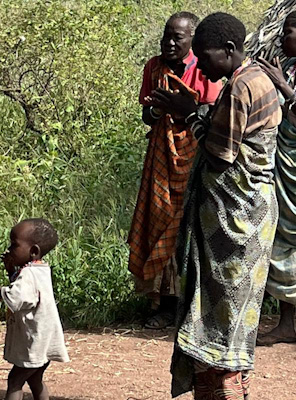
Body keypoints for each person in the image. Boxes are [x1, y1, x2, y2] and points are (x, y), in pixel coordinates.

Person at [151, 12, 281, 398]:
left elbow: (220, 154)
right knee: (231, 319)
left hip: (235, 224)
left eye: (205, 56)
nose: (200, 63)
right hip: (252, 217)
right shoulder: (254, 78)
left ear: (228, 50)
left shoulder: (241, 88)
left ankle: (222, 389)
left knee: (219, 325)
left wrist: (189, 114)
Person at [128, 11, 223, 329]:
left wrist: (186, 108)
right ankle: (164, 304)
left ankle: (191, 305)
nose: (168, 42)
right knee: (157, 226)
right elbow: (147, 113)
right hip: (160, 157)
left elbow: (211, 113)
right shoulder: (154, 67)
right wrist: (158, 108)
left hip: (192, 156)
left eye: (176, 37)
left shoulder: (205, 70)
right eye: (166, 36)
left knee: (191, 228)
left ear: (192, 41)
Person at [0, 218, 69, 400]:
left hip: (34, 343)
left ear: (33, 251)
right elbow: (26, 293)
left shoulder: (29, 274)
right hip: (43, 340)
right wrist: (11, 273)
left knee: (15, 381)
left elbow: (17, 298)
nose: (8, 249)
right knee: (35, 380)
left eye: (14, 245)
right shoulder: (40, 270)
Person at [256, 11, 296, 347]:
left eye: (290, 31)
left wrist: (285, 87)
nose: (282, 36)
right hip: (285, 162)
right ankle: (286, 323)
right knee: (282, 237)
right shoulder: (288, 66)